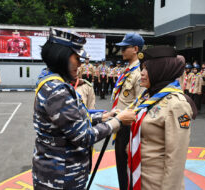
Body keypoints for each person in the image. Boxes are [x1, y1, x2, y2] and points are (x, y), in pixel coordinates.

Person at [32, 28, 136, 190]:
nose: (80, 64)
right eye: (76, 58)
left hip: (54, 173)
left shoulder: (48, 79)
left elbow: (69, 120)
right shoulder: (58, 90)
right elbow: (83, 137)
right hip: (62, 178)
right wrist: (116, 122)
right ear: (62, 56)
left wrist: (102, 116)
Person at [128, 46, 197, 190]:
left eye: (147, 69)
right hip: (138, 176)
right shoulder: (149, 96)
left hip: (156, 184)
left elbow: (176, 158)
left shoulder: (176, 104)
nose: (142, 73)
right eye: (142, 68)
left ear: (160, 70)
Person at [113, 32, 145, 190]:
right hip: (120, 122)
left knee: (125, 165)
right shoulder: (127, 71)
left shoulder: (139, 73)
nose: (122, 51)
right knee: (120, 164)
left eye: (125, 48)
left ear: (135, 49)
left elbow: (140, 103)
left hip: (128, 126)